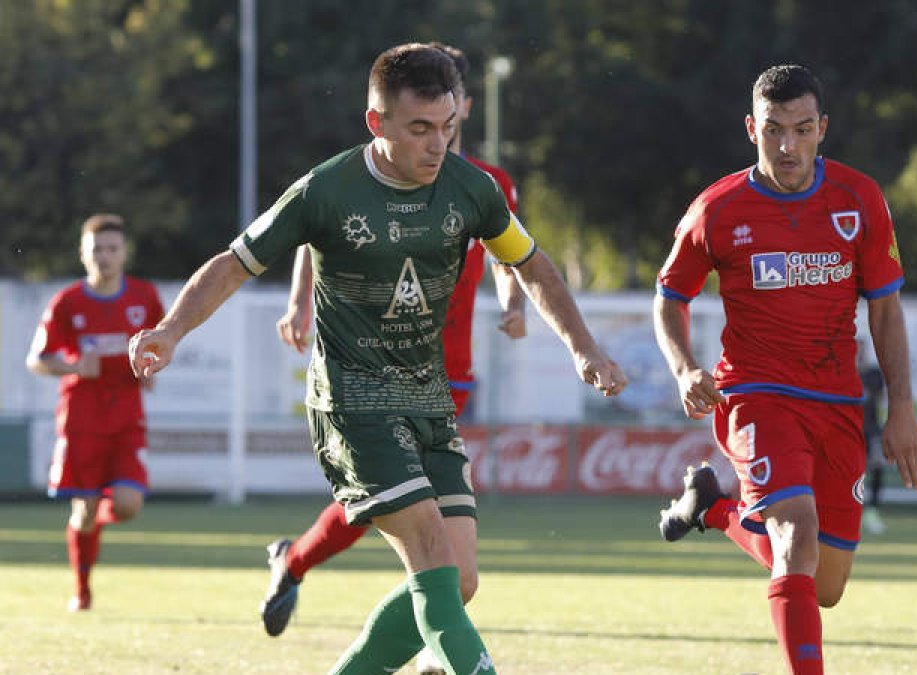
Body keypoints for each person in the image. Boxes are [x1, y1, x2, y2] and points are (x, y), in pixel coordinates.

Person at [128, 43, 625, 674]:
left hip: (429, 396)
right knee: (434, 564)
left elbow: (529, 263)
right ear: (377, 122)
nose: (437, 144)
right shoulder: (326, 189)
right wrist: (171, 331)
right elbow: (234, 263)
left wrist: (584, 348)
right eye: (419, 129)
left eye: (446, 127)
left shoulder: (472, 188)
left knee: (461, 579)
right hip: (352, 400)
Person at [260, 42, 529, 675]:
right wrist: (301, 303)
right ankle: (301, 565)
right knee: (410, 527)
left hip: (443, 372)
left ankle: (433, 629)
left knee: (451, 568)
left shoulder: (485, 184)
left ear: (463, 105)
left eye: (455, 105)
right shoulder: (358, 179)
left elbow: (512, 250)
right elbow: (318, 229)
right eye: (428, 115)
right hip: (368, 379)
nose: (444, 122)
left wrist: (512, 301)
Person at [651, 64, 917, 674]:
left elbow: (885, 310)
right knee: (795, 538)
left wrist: (901, 407)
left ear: (822, 128)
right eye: (774, 130)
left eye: (802, 130)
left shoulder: (859, 199)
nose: (788, 146)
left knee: (824, 586)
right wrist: (683, 368)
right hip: (756, 394)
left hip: (837, 401)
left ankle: (713, 506)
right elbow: (670, 297)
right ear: (752, 127)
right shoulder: (716, 210)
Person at [26, 213, 164, 612]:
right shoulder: (67, 302)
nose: (104, 257)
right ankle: (82, 590)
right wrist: (71, 367)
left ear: (124, 253)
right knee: (82, 511)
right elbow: (36, 359)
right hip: (81, 418)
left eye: (111, 249)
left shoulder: (144, 297)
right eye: (96, 250)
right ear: (83, 255)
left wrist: (152, 367)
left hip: (126, 417)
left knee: (127, 505)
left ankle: (96, 523)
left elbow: (160, 345)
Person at [858, 344, 887, 535]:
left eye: (861, 350)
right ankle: (855, 511)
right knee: (852, 473)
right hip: (848, 432)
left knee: (876, 468)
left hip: (871, 431)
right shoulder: (841, 373)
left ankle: (872, 511)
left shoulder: (873, 375)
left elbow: (880, 398)